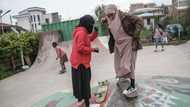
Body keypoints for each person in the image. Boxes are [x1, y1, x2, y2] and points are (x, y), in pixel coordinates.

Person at [102, 4, 143, 96]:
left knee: (129, 64)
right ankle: (122, 79)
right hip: (118, 44)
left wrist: (135, 35)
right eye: (108, 15)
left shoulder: (125, 16)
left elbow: (139, 21)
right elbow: (109, 20)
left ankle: (132, 86)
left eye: (111, 14)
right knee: (118, 63)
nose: (110, 17)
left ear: (116, 11)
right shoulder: (109, 18)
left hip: (128, 43)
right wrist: (105, 19)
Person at [70, 15, 99, 107]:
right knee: (85, 85)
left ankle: (82, 100)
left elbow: (89, 39)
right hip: (81, 64)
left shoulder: (82, 31)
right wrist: (93, 50)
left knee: (81, 84)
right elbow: (80, 48)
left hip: (79, 63)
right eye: (91, 25)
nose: (92, 26)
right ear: (87, 24)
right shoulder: (82, 33)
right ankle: (86, 104)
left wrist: (95, 32)